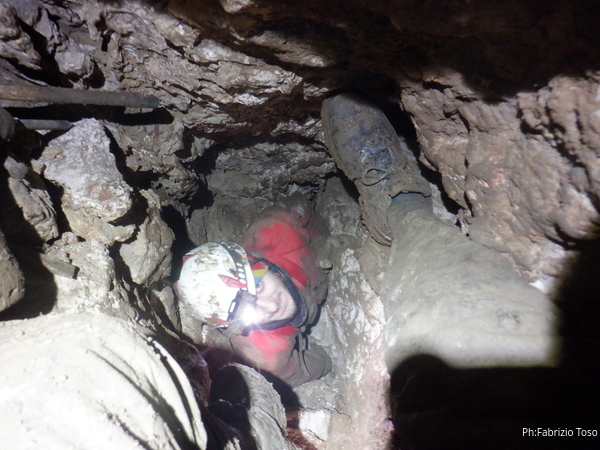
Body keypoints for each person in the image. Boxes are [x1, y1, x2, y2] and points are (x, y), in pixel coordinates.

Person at [176, 193, 332, 388]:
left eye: (258, 286)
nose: (271, 306)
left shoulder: (279, 230)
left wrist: (325, 246)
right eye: (249, 311)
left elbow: (303, 208)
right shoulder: (266, 353)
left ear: (260, 264)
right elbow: (300, 372)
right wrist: (325, 357)